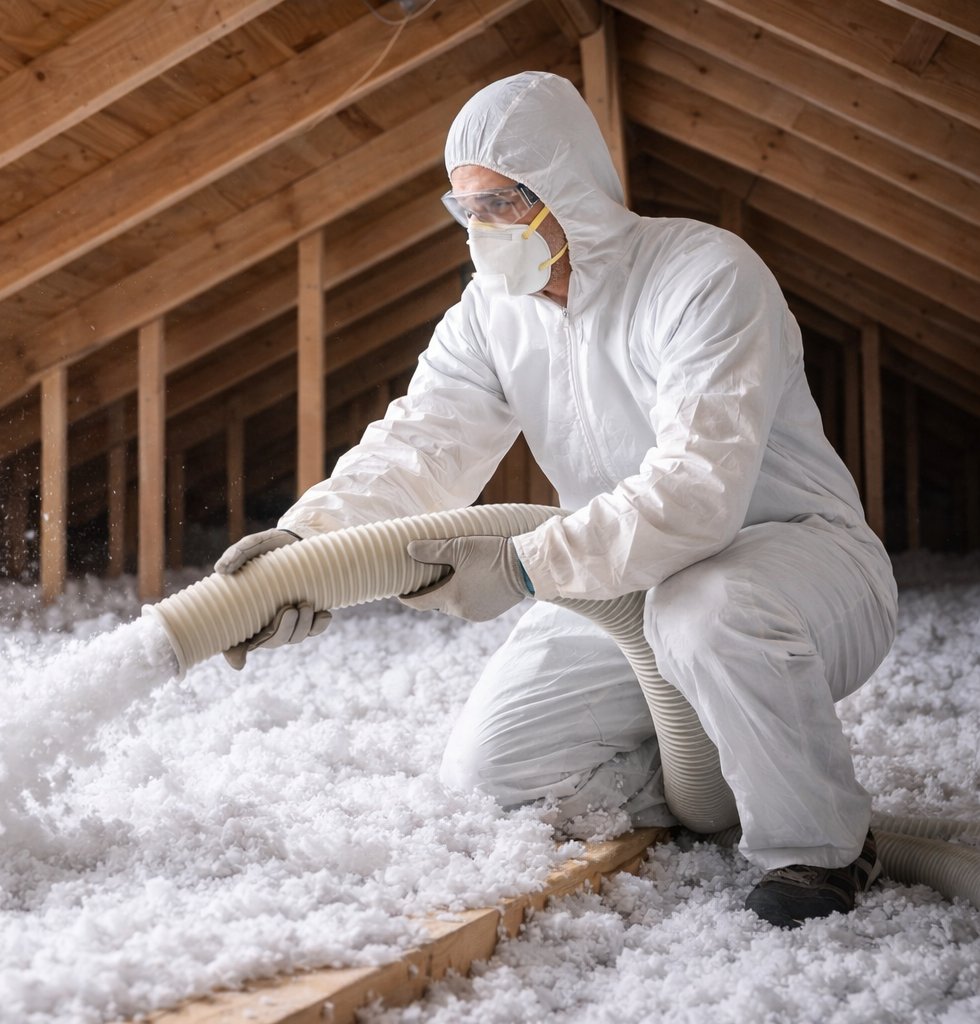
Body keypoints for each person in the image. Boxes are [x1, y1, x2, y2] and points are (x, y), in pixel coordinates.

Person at [215, 72, 896, 929]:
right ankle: (725, 769)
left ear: (566, 188)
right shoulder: (489, 315)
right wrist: (305, 552)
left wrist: (524, 563)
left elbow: (697, 493)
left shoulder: (703, 276)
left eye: (502, 203)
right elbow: (418, 447)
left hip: (798, 564)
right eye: (466, 210)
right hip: (617, 580)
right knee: (493, 771)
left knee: (705, 608)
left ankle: (819, 848)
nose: (483, 231)